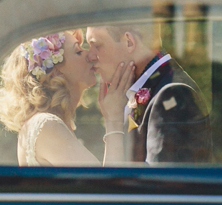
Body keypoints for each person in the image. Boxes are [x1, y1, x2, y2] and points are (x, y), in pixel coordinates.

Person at [0, 29, 134, 166]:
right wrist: (113, 120)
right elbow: (105, 186)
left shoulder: (49, 124)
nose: (91, 56)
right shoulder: (47, 125)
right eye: (78, 51)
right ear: (55, 73)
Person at [86, 25, 212, 164]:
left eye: (97, 45)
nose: (90, 56)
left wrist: (113, 122)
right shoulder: (159, 86)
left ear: (129, 42)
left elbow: (156, 182)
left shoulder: (172, 94)